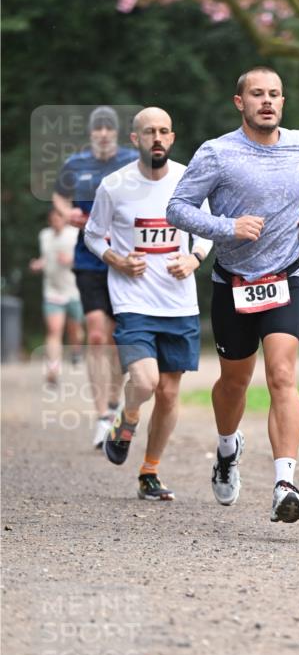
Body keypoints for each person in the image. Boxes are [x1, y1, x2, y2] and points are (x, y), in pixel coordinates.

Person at [166, 66, 299, 523]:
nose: (267, 101)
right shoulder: (217, 153)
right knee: (235, 381)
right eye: (257, 94)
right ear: (240, 102)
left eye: (275, 94)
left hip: (286, 277)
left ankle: (285, 483)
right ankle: (226, 448)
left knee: (281, 375)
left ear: (283, 101)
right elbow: (176, 208)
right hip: (234, 282)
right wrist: (227, 228)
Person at [84, 107, 212, 501]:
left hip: (179, 303)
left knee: (170, 395)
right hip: (133, 300)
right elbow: (92, 235)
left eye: (163, 131)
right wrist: (116, 259)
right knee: (145, 382)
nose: (156, 138)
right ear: (134, 140)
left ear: (171, 138)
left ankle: (149, 472)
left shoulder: (188, 179)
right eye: (148, 132)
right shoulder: (114, 185)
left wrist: (194, 258)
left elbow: (208, 230)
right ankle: (129, 415)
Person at [53, 106, 138, 448]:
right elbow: (59, 196)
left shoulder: (133, 161)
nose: (103, 133)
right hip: (88, 258)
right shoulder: (76, 164)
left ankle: (116, 405)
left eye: (108, 128)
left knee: (118, 339)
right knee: (97, 334)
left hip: (122, 257)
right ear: (91, 133)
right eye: (97, 129)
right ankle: (102, 416)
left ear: (115, 133)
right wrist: (67, 212)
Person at [29, 207, 84, 386]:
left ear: (64, 219)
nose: (56, 222)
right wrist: (38, 264)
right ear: (49, 221)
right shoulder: (44, 235)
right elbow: (46, 258)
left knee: (74, 330)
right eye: (52, 219)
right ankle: (53, 370)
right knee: (54, 330)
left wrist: (71, 260)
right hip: (52, 291)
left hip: (74, 290)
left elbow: (87, 258)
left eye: (58, 219)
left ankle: (76, 350)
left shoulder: (75, 234)